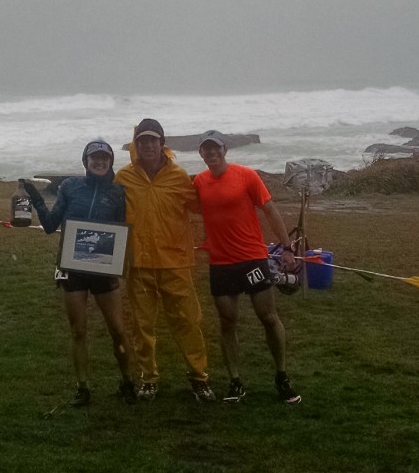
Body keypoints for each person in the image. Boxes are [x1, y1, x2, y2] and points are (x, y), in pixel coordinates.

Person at [23, 140, 136, 407]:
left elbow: (121, 231)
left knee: (118, 330)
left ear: (110, 162)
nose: (99, 161)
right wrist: (38, 200)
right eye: (93, 157)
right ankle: (82, 387)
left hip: (103, 269)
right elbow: (51, 226)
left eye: (104, 158)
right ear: (85, 161)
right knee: (78, 331)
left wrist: (120, 262)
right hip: (72, 269)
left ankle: (127, 381)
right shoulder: (70, 187)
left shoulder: (119, 193)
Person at [192, 130, 301, 404]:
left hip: (252, 259)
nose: (212, 154)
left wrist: (287, 247)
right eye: (206, 150)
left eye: (216, 148)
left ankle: (282, 376)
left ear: (225, 150)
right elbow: (178, 207)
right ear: (201, 154)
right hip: (221, 263)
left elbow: (270, 210)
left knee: (268, 317)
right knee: (227, 322)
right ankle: (235, 381)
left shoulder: (247, 176)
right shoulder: (199, 183)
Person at [114, 119, 215, 402]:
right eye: (142, 140)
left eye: (153, 140)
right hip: (139, 264)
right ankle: (148, 378)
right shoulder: (123, 178)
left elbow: (205, 207)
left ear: (162, 143)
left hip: (176, 262)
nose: (148, 145)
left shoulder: (180, 177)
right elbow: (109, 214)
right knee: (142, 326)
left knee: (188, 322)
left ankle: (199, 377)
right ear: (135, 144)